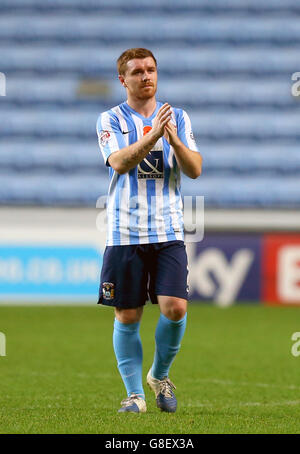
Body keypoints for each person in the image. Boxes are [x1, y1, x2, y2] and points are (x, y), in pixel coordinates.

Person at [96, 48, 202, 414]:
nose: (146, 76)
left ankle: (159, 375)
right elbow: (120, 162)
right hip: (125, 232)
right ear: (122, 79)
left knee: (175, 308)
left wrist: (172, 139)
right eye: (137, 71)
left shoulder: (179, 118)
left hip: (168, 230)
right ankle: (134, 395)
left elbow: (195, 169)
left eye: (151, 69)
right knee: (127, 316)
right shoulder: (109, 119)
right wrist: (152, 135)